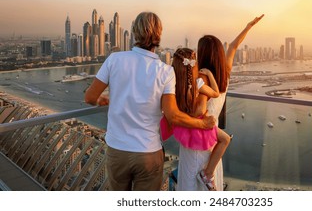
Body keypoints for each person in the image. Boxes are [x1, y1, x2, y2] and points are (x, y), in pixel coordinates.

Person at [84, 11, 215, 191]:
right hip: (148, 152)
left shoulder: (114, 59)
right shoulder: (165, 71)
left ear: (134, 32)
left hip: (117, 150)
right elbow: (173, 116)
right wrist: (203, 125)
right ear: (159, 35)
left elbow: (90, 97)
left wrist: (102, 100)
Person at [177, 14, 265, 191]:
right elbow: (233, 47)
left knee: (192, 183)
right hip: (212, 137)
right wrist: (248, 26)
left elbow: (198, 109)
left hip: (198, 136)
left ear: (201, 53)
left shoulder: (202, 78)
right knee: (208, 181)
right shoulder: (224, 73)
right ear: (218, 53)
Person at [160, 48, 231, 191]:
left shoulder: (173, 85)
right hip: (202, 125)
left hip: (185, 125)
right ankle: (208, 174)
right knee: (225, 139)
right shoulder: (198, 83)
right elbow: (216, 93)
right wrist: (210, 75)